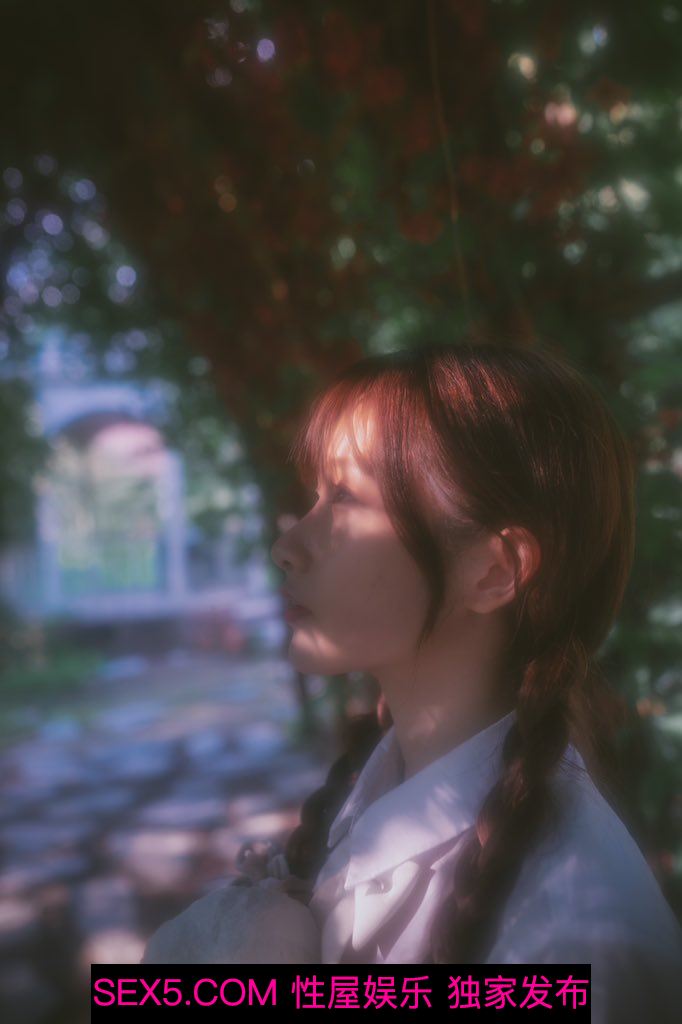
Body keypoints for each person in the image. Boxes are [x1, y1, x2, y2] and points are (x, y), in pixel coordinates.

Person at [270, 341, 682, 1018]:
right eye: (316, 495)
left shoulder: (575, 936)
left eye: (344, 497)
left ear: (494, 572)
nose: (286, 547)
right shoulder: (376, 784)